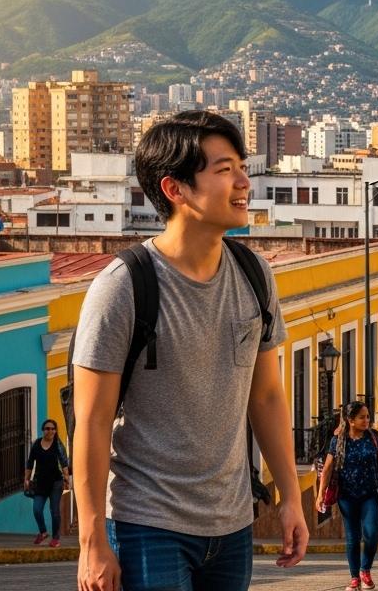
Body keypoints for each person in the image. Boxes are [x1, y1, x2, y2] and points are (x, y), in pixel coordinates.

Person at [71, 111, 308, 591]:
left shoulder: (255, 275)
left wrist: (291, 497)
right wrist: (92, 542)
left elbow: (266, 397)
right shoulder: (122, 288)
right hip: (146, 523)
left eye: (242, 167)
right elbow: (91, 421)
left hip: (233, 522)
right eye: (224, 171)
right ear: (174, 189)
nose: (244, 181)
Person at [316, 401, 378, 590]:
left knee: (371, 535)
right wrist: (320, 495)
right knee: (353, 538)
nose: (367, 420)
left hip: (370, 494)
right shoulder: (338, 441)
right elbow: (327, 468)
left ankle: (365, 570)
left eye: (368, 416)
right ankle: (355, 578)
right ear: (350, 420)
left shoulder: (374, 437)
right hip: (346, 496)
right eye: (362, 417)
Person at [24, 418, 71, 547]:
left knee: (54, 511)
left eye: (52, 429)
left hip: (56, 483)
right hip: (40, 483)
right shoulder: (36, 444)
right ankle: (43, 532)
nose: (50, 431)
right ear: (43, 430)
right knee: (37, 510)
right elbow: (30, 463)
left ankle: (56, 538)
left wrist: (66, 479)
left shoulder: (58, 445)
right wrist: (26, 479)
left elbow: (64, 463)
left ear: (55, 431)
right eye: (47, 428)